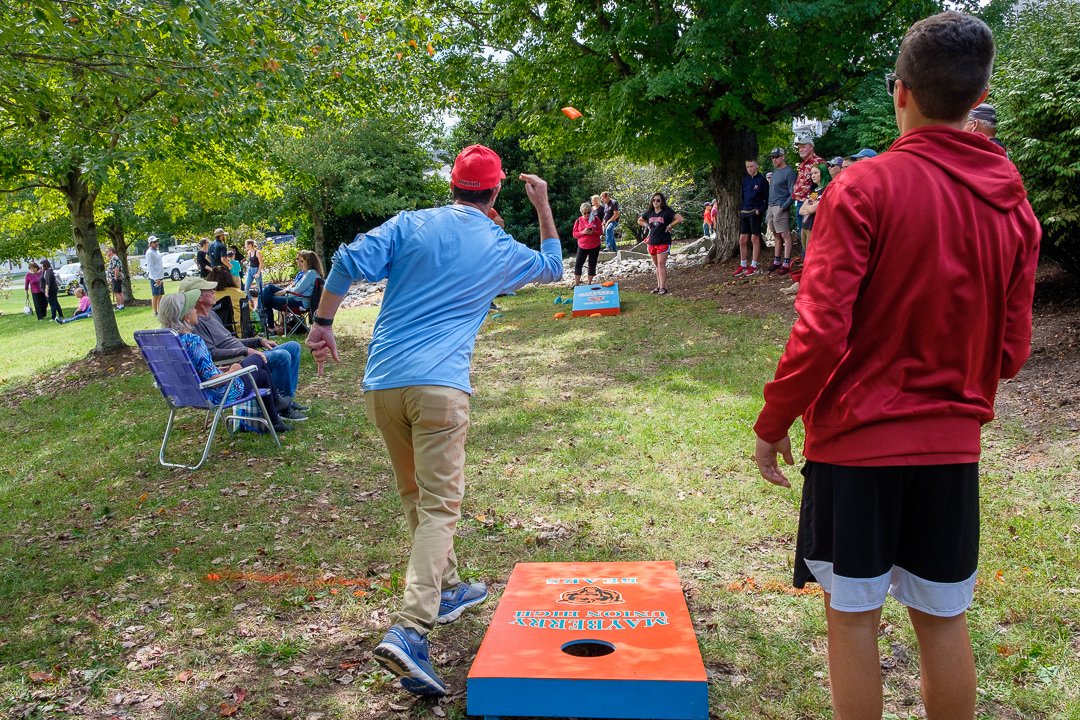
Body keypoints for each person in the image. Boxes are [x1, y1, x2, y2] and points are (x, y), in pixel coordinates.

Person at [753, 12, 1040, 720]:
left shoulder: (862, 189)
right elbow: (1012, 351)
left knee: (852, 616)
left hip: (855, 444)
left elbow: (820, 333)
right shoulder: (1013, 206)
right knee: (943, 617)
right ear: (979, 95)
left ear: (900, 91)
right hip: (950, 447)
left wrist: (773, 420)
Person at [305, 144, 563, 697]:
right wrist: (542, 206)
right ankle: (412, 628)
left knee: (415, 496)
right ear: (494, 194)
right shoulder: (496, 244)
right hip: (440, 388)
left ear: (452, 185)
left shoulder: (411, 224)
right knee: (440, 507)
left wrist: (323, 323)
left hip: (382, 386)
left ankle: (446, 588)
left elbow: (347, 261)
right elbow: (552, 267)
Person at [158, 290, 291, 433]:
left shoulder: (166, 341)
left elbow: (196, 372)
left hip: (187, 395)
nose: (195, 310)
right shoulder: (193, 341)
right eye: (192, 308)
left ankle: (274, 421)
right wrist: (234, 370)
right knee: (256, 359)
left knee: (263, 375)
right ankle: (277, 408)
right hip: (220, 393)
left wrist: (223, 370)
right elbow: (214, 381)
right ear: (186, 317)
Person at [181, 275, 308, 421]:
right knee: (282, 355)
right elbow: (213, 354)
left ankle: (286, 399)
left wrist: (258, 341)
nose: (213, 291)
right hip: (238, 361)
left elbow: (231, 340)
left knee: (293, 346)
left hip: (245, 354)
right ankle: (281, 408)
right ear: (198, 297)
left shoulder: (212, 314)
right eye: (208, 290)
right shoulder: (195, 324)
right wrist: (245, 351)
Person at [259, 250, 323, 336]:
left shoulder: (311, 273)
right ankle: (261, 313)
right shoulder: (308, 272)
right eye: (299, 260)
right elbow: (295, 286)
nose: (299, 263)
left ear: (309, 261)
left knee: (268, 299)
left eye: (302, 261)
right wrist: (284, 292)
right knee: (268, 288)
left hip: (299, 302)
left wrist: (284, 292)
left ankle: (266, 323)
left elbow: (298, 289)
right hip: (296, 297)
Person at [637, 192, 682, 294]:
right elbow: (639, 220)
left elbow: (680, 218)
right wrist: (646, 225)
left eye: (658, 200)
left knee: (661, 264)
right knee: (657, 265)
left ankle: (663, 287)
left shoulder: (667, 211)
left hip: (664, 241)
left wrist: (670, 225)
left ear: (662, 202)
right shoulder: (649, 212)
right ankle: (658, 286)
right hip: (652, 241)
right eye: (654, 200)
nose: (655, 202)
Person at [733, 159, 769, 277]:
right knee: (742, 239)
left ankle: (754, 265)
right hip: (745, 212)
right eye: (747, 167)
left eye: (751, 166)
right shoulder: (745, 180)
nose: (749, 169)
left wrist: (760, 210)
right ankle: (743, 265)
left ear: (757, 166)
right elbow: (743, 197)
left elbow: (766, 199)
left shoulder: (762, 180)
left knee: (755, 238)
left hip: (755, 212)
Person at [765, 148, 797, 274]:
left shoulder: (789, 172)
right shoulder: (775, 171)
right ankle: (777, 260)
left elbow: (793, 193)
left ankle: (786, 262)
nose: (774, 159)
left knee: (785, 235)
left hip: (780, 206)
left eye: (777, 157)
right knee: (776, 235)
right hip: (771, 206)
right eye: (772, 157)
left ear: (783, 157)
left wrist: (784, 206)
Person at [792, 136, 825, 236]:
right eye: (799, 147)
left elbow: (822, 185)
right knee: (802, 234)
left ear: (811, 147)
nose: (800, 149)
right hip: (799, 202)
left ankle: (808, 252)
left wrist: (812, 203)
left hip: (810, 202)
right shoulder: (802, 164)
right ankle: (805, 252)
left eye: (803, 147)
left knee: (809, 234)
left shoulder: (819, 162)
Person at [797, 163, 832, 250]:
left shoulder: (827, 189)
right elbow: (801, 210)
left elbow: (813, 209)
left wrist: (809, 207)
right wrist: (810, 207)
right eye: (812, 173)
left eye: (816, 173)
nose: (813, 176)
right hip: (805, 226)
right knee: (806, 256)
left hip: (814, 227)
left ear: (823, 173)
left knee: (812, 256)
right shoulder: (814, 191)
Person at [208, 266, 248, 331]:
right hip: (244, 330)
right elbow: (251, 312)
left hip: (224, 333)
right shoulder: (240, 293)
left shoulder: (211, 297)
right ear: (229, 278)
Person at [572, 201, 603, 285]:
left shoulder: (596, 219)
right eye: (584, 213)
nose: (586, 215)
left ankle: (589, 283)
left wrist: (593, 232)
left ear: (591, 211)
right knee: (578, 264)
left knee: (592, 264)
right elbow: (574, 234)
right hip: (582, 246)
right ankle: (576, 284)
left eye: (588, 212)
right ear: (581, 212)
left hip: (594, 246)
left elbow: (600, 232)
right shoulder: (578, 221)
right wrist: (583, 232)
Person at [145, 235, 165, 316]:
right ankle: (155, 312)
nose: (156, 243)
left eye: (157, 241)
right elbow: (150, 266)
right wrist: (155, 278)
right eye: (154, 242)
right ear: (150, 243)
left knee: (160, 294)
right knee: (155, 294)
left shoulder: (156, 251)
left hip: (160, 275)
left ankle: (159, 310)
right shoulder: (149, 253)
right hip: (155, 277)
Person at [243, 238, 265, 308]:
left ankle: (260, 306)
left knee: (259, 289)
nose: (245, 246)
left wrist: (258, 273)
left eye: (246, 245)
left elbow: (261, 263)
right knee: (246, 288)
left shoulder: (257, 252)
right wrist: (248, 269)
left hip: (256, 270)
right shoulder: (249, 252)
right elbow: (250, 262)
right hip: (250, 270)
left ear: (250, 245)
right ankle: (251, 302)